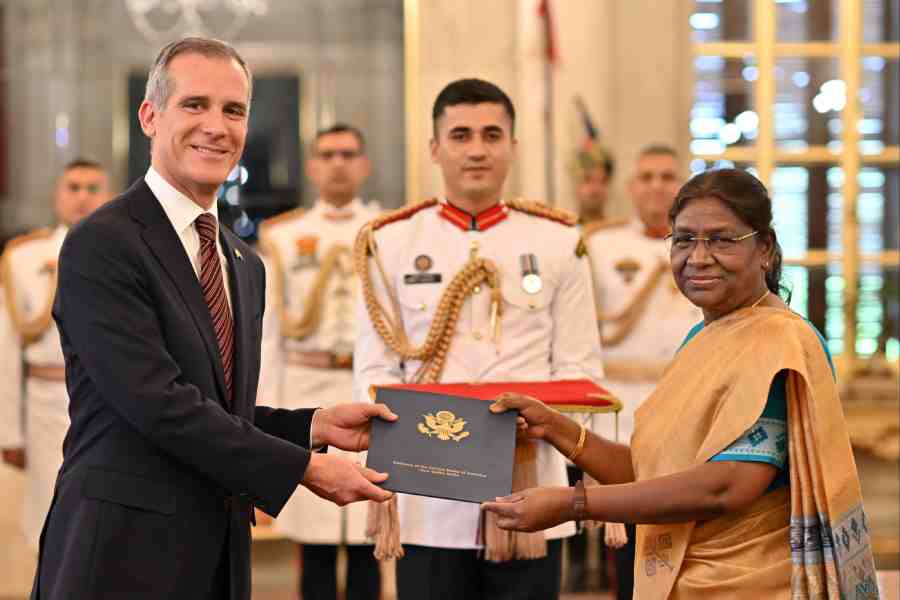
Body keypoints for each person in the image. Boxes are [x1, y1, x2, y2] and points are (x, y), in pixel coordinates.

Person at [30, 37, 395, 600]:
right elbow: (160, 405)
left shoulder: (243, 260)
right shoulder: (102, 243)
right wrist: (304, 468)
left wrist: (314, 425)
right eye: (194, 105)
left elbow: (218, 407)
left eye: (234, 110)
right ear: (150, 116)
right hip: (121, 555)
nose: (216, 126)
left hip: (217, 554)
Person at [483, 168, 878, 599]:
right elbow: (652, 471)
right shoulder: (703, 338)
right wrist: (556, 427)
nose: (699, 257)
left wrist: (572, 503)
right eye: (684, 239)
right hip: (684, 581)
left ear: (764, 248)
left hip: (759, 585)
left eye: (722, 239)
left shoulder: (780, 341)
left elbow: (727, 485)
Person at [353, 78, 604, 600]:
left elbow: (582, 370)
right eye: (461, 135)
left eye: (492, 135)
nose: (476, 149)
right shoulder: (391, 241)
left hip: (531, 483)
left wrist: (540, 426)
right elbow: (374, 373)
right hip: (429, 490)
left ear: (513, 146)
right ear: (435, 148)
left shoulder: (558, 241)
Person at [258, 123, 381, 600]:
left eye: (348, 154)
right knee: (314, 536)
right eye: (327, 154)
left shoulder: (387, 229)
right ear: (312, 166)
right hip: (307, 387)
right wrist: (267, 407)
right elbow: (269, 332)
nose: (338, 163)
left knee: (370, 528)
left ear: (364, 164)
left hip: (368, 391)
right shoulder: (285, 235)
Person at [582, 145, 702, 598]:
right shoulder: (600, 245)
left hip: (688, 406)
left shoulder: (702, 245)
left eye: (667, 177)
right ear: (632, 187)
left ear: (683, 186)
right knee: (630, 542)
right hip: (622, 407)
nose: (657, 186)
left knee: (690, 538)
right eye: (647, 177)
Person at [0, 159, 112, 551]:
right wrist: (8, 431)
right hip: (46, 406)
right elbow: (8, 349)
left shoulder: (127, 255)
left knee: (105, 527)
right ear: (56, 196)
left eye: (93, 188)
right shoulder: (23, 259)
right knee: (51, 525)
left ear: (110, 196)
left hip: (111, 404)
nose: (83, 197)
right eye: (74, 187)